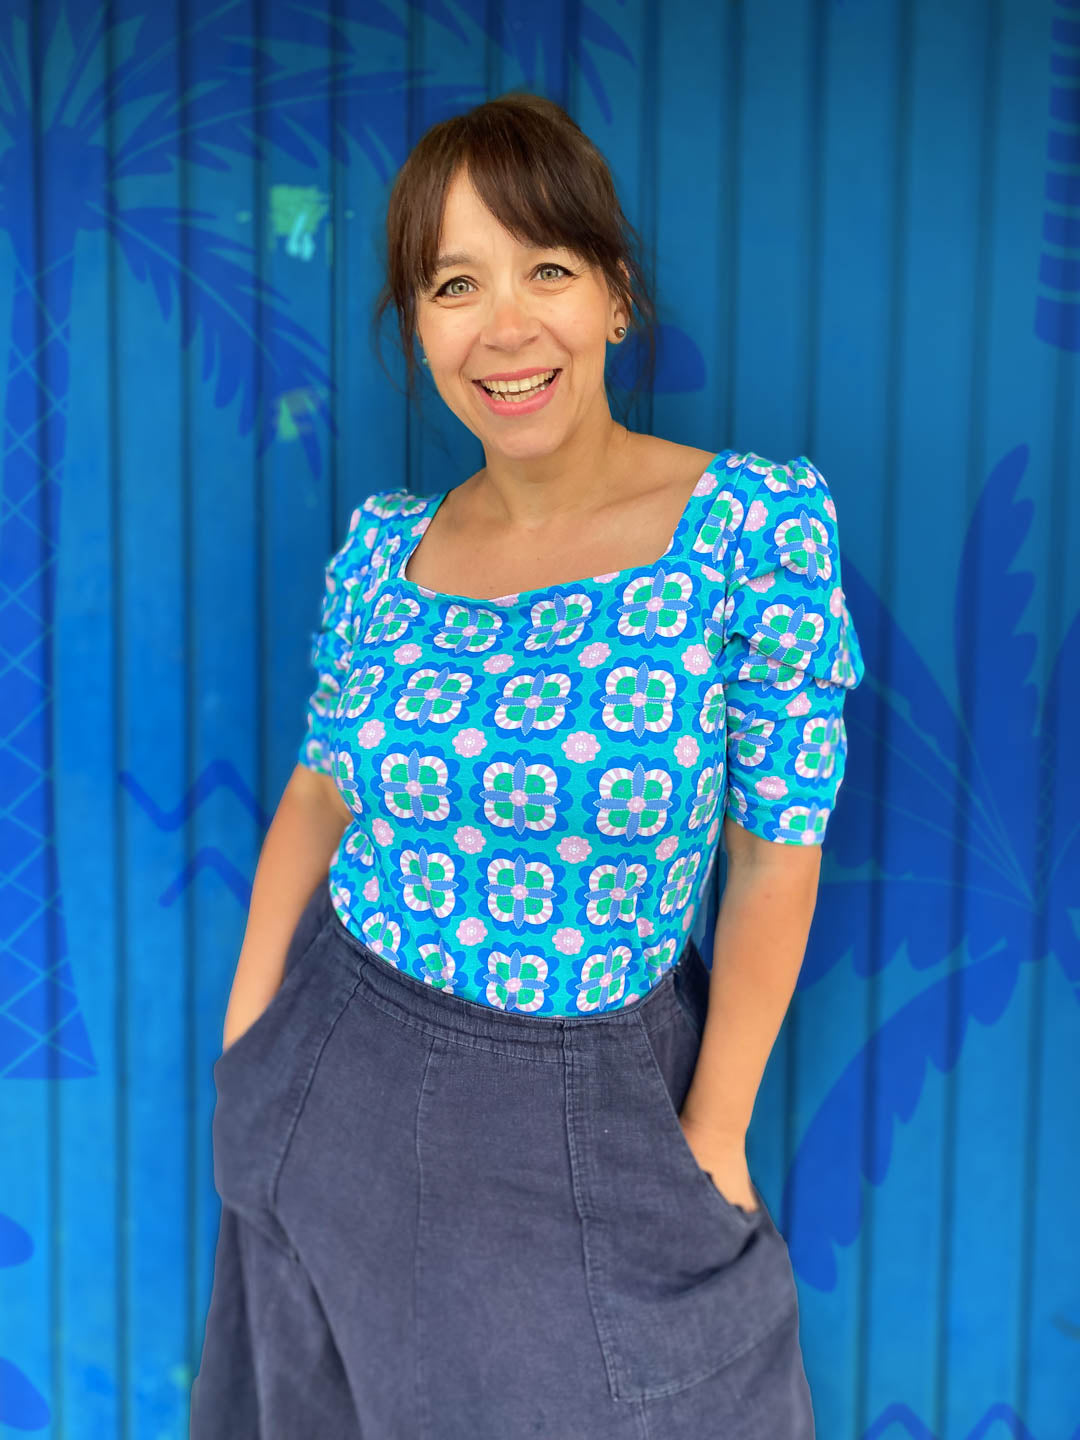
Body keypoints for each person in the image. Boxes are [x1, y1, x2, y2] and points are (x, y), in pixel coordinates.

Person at [190, 90, 864, 1439]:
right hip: (334, 1068)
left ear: (616, 295)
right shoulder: (385, 550)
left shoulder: (750, 529)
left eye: (546, 268)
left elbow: (775, 853)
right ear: (416, 327)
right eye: (455, 284)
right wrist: (248, 1043)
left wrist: (715, 1131)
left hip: (590, 1100)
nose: (504, 327)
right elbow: (319, 788)